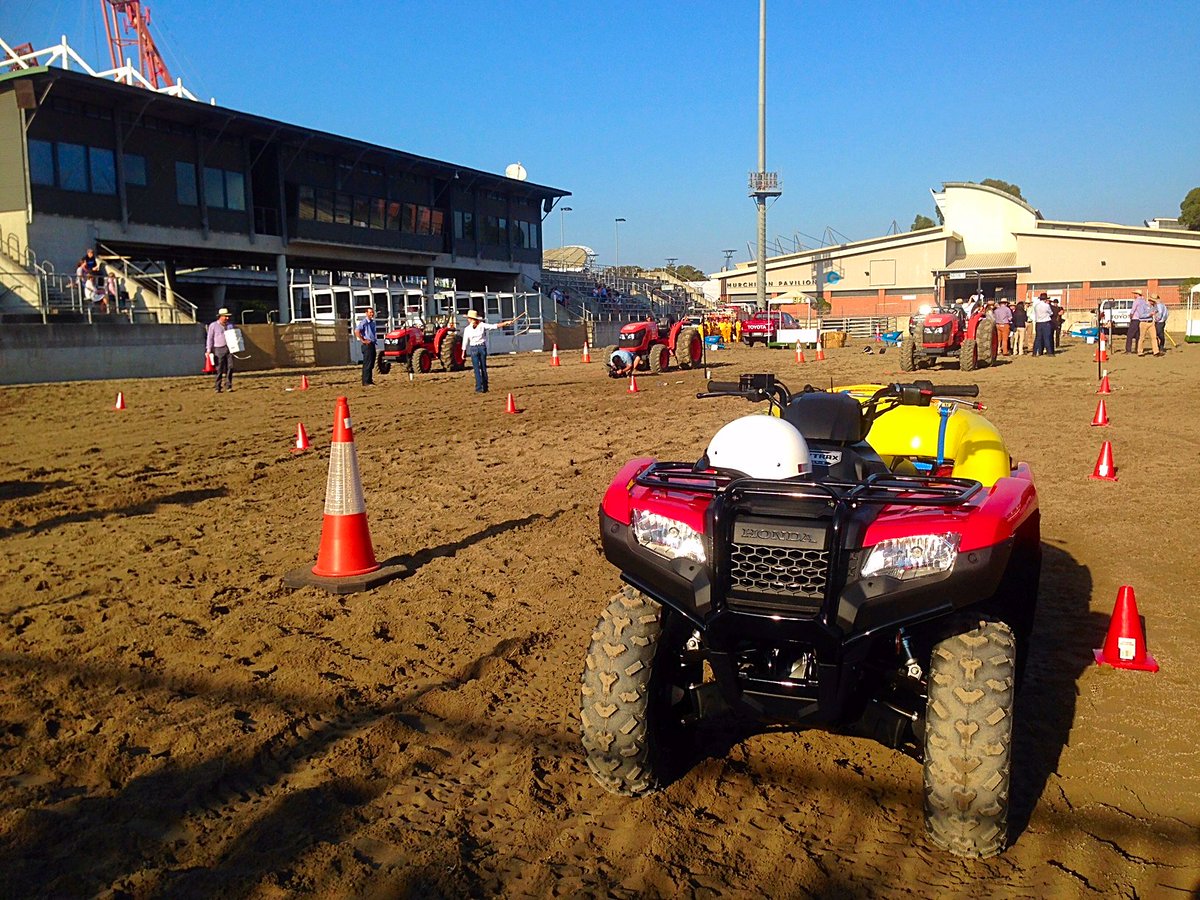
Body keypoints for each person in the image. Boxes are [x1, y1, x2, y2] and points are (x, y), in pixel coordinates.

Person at [462, 309, 516, 393]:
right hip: (480, 348)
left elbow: (465, 341)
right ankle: (484, 386)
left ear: (471, 319)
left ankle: (480, 387)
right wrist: (505, 323)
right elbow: (494, 326)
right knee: (482, 368)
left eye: (469, 318)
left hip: (475, 348)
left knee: (478, 369)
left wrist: (463, 352)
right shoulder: (478, 326)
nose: (468, 320)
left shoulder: (471, 328)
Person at [206, 307, 235, 392]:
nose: (227, 318)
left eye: (227, 316)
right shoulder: (213, 325)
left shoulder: (230, 326)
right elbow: (210, 338)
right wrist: (209, 349)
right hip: (218, 348)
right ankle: (217, 386)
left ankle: (228, 385)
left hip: (229, 348)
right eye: (225, 316)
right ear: (220, 316)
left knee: (230, 367)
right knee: (219, 368)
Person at [355, 307, 378, 385]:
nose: (372, 314)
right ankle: (366, 381)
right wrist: (363, 340)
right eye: (370, 312)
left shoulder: (372, 322)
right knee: (367, 363)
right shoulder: (364, 322)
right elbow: (357, 331)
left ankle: (369, 380)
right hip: (367, 345)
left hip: (372, 344)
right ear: (366, 313)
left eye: (372, 312)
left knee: (371, 363)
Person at [1132, 292, 1160, 356]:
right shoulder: (1143, 305)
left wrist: (1156, 315)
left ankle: (1156, 351)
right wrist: (1149, 314)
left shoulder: (1154, 306)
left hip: (1151, 323)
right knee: (1142, 338)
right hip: (1143, 322)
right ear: (1150, 300)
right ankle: (1140, 351)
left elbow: (1156, 311)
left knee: (1154, 337)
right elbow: (1141, 315)